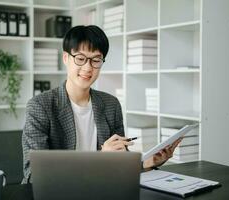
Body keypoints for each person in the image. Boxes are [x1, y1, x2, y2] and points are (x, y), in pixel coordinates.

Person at [22, 25, 181, 183]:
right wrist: (100, 159)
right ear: (66, 58)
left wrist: (148, 164)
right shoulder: (40, 106)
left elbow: (121, 166)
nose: (87, 67)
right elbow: (34, 175)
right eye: (80, 58)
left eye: (96, 60)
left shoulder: (111, 104)